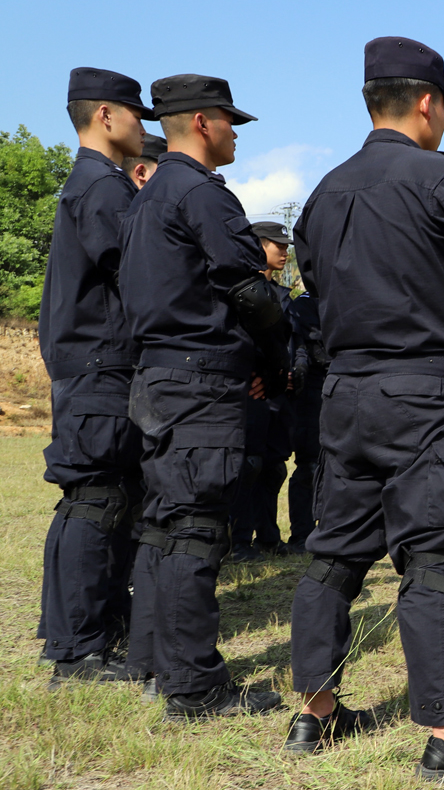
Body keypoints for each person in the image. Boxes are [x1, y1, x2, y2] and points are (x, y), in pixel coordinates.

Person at [287, 37, 444, 778]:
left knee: (334, 552)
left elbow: (315, 286)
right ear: (427, 103)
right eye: (442, 110)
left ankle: (315, 714)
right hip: (422, 391)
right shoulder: (443, 180)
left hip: (347, 394)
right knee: (432, 558)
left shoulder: (324, 191)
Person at [120, 73, 283, 719]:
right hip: (200, 379)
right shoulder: (201, 195)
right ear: (201, 122)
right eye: (229, 121)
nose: (235, 133)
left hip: (158, 376)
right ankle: (194, 687)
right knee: (195, 530)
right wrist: (275, 353)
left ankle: (154, 662)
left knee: (163, 523)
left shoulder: (149, 195)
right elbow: (249, 291)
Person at [39, 68, 154, 690]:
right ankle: (77, 651)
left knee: (93, 500)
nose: (145, 126)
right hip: (101, 369)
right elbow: (135, 279)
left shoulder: (92, 185)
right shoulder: (102, 189)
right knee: (97, 501)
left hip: (90, 367)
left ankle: (74, 635)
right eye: (137, 114)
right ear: (106, 116)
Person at [229, 222, 301, 560]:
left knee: (273, 466)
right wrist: (253, 375)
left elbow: (290, 342)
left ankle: (268, 537)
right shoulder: (239, 288)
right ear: (258, 245)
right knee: (249, 465)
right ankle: (239, 541)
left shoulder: (284, 296)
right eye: (278, 245)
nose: (284, 252)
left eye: (287, 246)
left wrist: (289, 371)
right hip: (250, 391)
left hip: (278, 393)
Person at [285, 287, 327, 551]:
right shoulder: (304, 303)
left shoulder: (343, 294)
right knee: (309, 466)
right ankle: (301, 534)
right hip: (312, 393)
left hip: (341, 387)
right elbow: (308, 349)